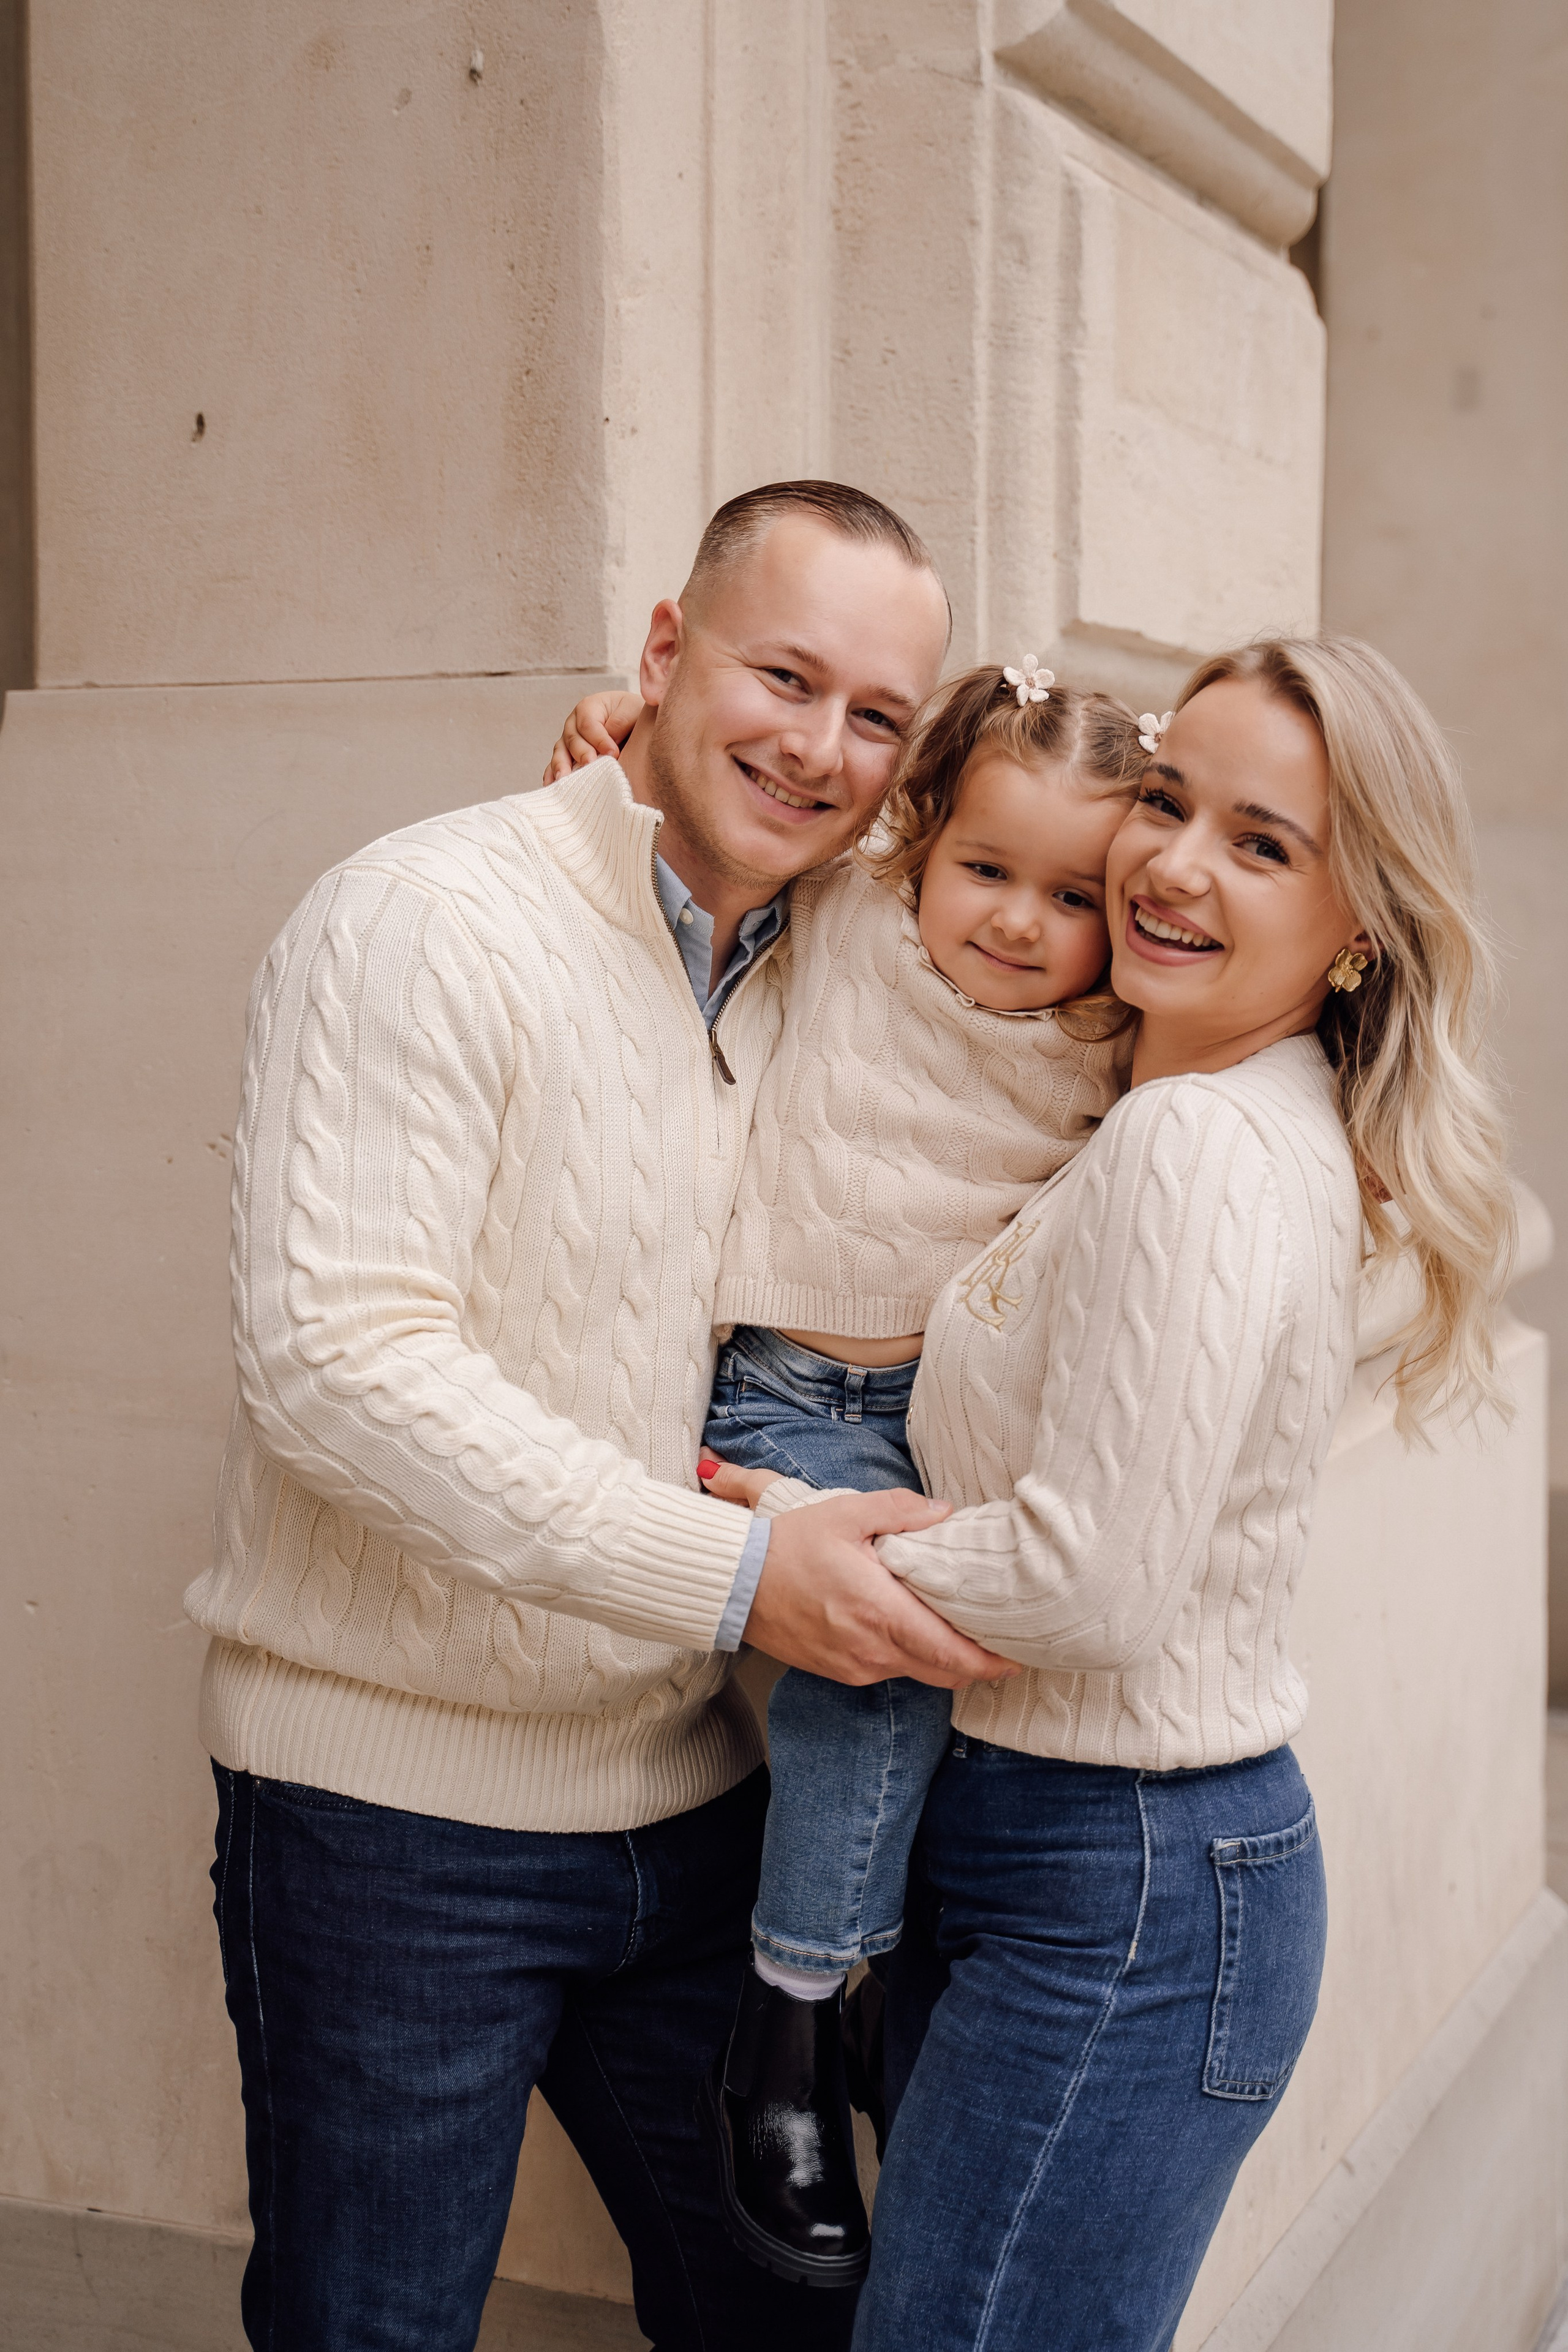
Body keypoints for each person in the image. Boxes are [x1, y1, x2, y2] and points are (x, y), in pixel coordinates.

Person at [184, 480, 1019, 2352]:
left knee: (796, 2318)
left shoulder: (849, 968)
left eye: (878, 717)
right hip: (394, 1819)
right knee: (371, 2328)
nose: (820, 748)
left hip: (699, 1802)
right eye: (780, 677)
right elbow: (338, 1360)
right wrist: (739, 1576)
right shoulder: (422, 917)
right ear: (660, 654)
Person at [710, 637, 1515, 2351]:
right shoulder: (1194, 1100)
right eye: (1168, 802)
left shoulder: (1191, 1146)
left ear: (1359, 921)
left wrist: (785, 1541)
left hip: (1121, 1881)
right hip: (1071, 1851)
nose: (1170, 863)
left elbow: (1094, 1584)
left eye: (1262, 843)